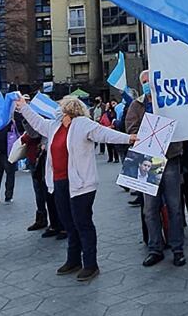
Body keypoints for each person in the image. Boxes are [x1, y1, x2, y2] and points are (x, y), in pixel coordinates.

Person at [16, 93, 136, 282]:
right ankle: (73, 260)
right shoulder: (54, 126)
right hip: (59, 182)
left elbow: (104, 134)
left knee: (83, 222)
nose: (57, 111)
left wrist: (128, 138)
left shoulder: (82, 124)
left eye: (60, 108)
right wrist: (23, 107)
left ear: (68, 111)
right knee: (68, 222)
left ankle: (90, 263)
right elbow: (37, 122)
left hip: (81, 183)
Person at [126, 70, 188, 267]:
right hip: (148, 160)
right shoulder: (137, 105)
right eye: (143, 81)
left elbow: (183, 126)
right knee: (150, 209)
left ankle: (177, 248)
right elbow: (130, 129)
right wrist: (148, 133)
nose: (147, 84)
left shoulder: (169, 101)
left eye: (149, 80)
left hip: (170, 158)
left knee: (174, 207)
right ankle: (155, 248)